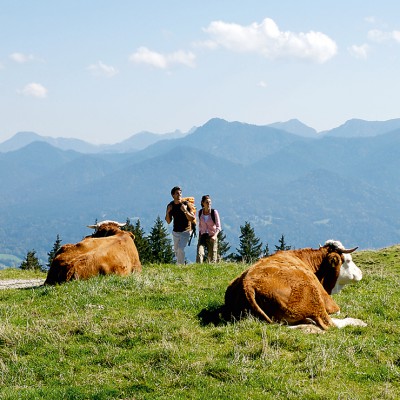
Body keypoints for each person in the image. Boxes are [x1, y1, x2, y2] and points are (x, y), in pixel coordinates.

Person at [165, 186, 196, 264]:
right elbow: (168, 221)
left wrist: (185, 211)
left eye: (180, 193)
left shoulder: (186, 204)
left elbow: (192, 218)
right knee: (176, 250)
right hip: (176, 231)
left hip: (186, 230)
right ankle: (181, 264)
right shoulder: (170, 206)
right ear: (173, 195)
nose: (179, 195)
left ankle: (181, 266)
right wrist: (168, 212)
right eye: (177, 194)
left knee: (180, 249)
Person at [196, 195, 221, 263]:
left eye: (210, 202)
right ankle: (198, 268)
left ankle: (212, 269)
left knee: (212, 256)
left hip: (212, 235)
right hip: (203, 235)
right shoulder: (200, 212)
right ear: (202, 203)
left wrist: (215, 236)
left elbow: (218, 227)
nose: (209, 204)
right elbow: (199, 225)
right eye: (207, 202)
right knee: (199, 253)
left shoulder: (214, 212)